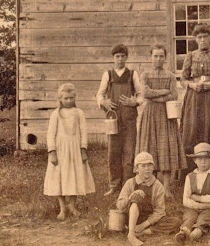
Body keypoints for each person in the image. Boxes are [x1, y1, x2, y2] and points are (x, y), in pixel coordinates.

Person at [136, 44, 187, 199]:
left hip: (166, 114)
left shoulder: (170, 75)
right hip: (150, 114)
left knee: (166, 148)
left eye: (161, 56)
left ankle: (166, 188)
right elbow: (145, 93)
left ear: (165, 58)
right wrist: (163, 92)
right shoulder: (145, 75)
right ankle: (150, 185)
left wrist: (156, 96)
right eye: (155, 56)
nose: (158, 59)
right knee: (150, 146)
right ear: (151, 57)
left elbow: (174, 95)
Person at [180, 23, 210, 171]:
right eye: (199, 37)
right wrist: (192, 85)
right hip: (193, 98)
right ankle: (190, 170)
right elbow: (183, 79)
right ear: (196, 39)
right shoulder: (191, 56)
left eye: (205, 37)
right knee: (192, 130)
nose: (202, 40)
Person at [96, 44, 143, 196]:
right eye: (117, 56)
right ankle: (114, 185)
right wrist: (104, 102)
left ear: (126, 57)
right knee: (113, 153)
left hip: (129, 119)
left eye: (123, 56)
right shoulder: (108, 75)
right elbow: (100, 94)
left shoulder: (132, 74)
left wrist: (134, 102)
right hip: (113, 119)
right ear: (113, 58)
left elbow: (140, 95)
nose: (120, 59)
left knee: (129, 153)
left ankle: (127, 185)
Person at [43, 83, 95, 220]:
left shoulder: (79, 113)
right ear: (60, 99)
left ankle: (72, 205)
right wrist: (52, 151)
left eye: (71, 98)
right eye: (65, 98)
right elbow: (50, 134)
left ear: (75, 97)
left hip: (75, 150)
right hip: (60, 151)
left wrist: (83, 149)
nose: (69, 100)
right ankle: (62, 208)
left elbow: (83, 132)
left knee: (74, 176)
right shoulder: (56, 114)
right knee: (58, 177)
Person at [116, 152, 182, 246]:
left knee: (176, 221)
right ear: (136, 169)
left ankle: (142, 232)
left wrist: (144, 225)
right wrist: (130, 196)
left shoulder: (158, 185)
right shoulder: (130, 183)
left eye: (149, 165)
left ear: (153, 167)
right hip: (130, 218)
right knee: (136, 196)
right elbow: (119, 206)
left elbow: (159, 211)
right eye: (143, 166)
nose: (147, 169)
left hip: (148, 220)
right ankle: (131, 234)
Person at [174, 142, 210, 245]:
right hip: (193, 208)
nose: (203, 161)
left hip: (209, 209)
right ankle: (182, 234)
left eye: (206, 158)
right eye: (200, 159)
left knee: (203, 220)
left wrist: (198, 198)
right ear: (195, 160)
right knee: (189, 218)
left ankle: (193, 236)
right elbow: (186, 200)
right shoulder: (190, 176)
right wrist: (199, 205)